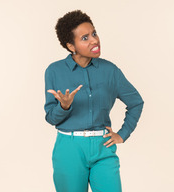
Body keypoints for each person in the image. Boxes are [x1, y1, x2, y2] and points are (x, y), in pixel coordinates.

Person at [44, 10, 144, 192]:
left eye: (94, 33)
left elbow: (136, 102)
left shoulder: (110, 71)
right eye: (85, 38)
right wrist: (64, 106)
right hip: (69, 149)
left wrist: (122, 134)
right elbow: (51, 118)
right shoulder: (54, 71)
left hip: (103, 148)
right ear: (70, 45)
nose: (94, 40)